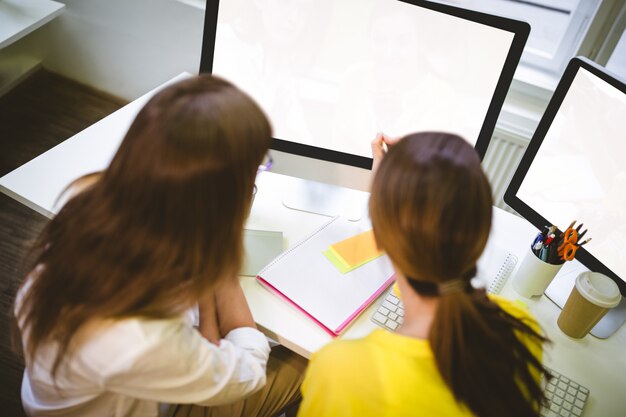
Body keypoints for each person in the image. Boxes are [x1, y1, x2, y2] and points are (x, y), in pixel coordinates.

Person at [12, 75, 306, 417]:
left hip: (112, 383)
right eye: (255, 169)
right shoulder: (137, 337)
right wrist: (221, 260)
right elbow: (246, 373)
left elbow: (202, 344)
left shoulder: (88, 202)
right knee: (310, 362)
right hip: (138, 394)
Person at [298, 132, 549, 417]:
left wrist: (385, 192)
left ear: (381, 235)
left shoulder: (339, 371)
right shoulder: (521, 327)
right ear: (480, 235)